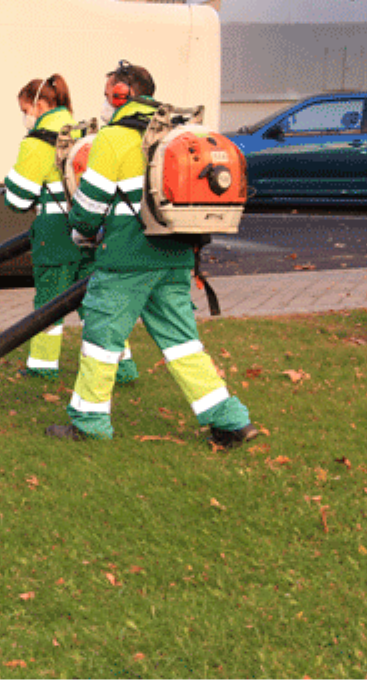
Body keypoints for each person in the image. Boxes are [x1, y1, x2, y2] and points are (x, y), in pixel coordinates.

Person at [47, 61, 258, 447]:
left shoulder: (113, 139)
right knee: (182, 342)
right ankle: (230, 419)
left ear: (120, 95)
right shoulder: (174, 133)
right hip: (175, 255)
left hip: (128, 257)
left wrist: (77, 228)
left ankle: (90, 424)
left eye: (108, 93)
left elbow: (89, 207)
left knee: (101, 339)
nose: (106, 103)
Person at [3, 74, 137, 383]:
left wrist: (11, 183)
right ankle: (122, 366)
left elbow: (18, 198)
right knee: (96, 303)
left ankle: (42, 366)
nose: (26, 116)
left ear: (39, 105)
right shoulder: (83, 132)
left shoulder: (37, 143)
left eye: (26, 109)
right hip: (87, 225)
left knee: (49, 301)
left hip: (54, 232)